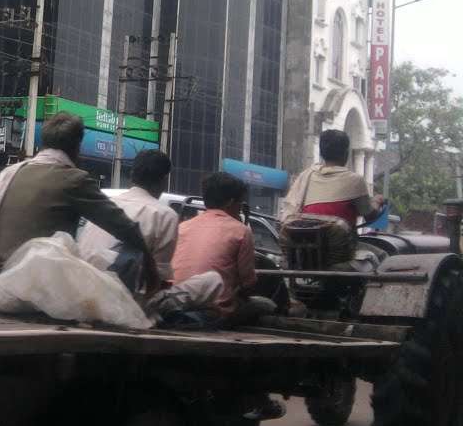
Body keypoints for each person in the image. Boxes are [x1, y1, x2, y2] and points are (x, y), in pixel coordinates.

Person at [0, 112, 154, 288]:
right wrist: (149, 260)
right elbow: (124, 227)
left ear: (44, 142)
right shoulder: (74, 179)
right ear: (77, 147)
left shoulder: (12, 172)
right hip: (33, 285)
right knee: (131, 251)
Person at [171, 172, 273, 326]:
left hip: (176, 304)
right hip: (214, 311)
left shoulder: (183, 227)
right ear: (231, 203)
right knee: (267, 305)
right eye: (240, 203)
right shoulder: (240, 231)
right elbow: (248, 284)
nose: (240, 209)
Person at [280, 129, 387, 266]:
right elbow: (370, 215)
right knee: (383, 256)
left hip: (303, 250)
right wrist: (377, 201)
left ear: (322, 153)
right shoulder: (354, 180)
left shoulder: (306, 177)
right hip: (340, 251)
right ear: (346, 153)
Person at [78, 149, 179, 280]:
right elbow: (157, 279)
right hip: (123, 296)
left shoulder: (105, 204)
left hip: (82, 285)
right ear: (165, 180)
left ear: (132, 175)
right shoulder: (165, 215)